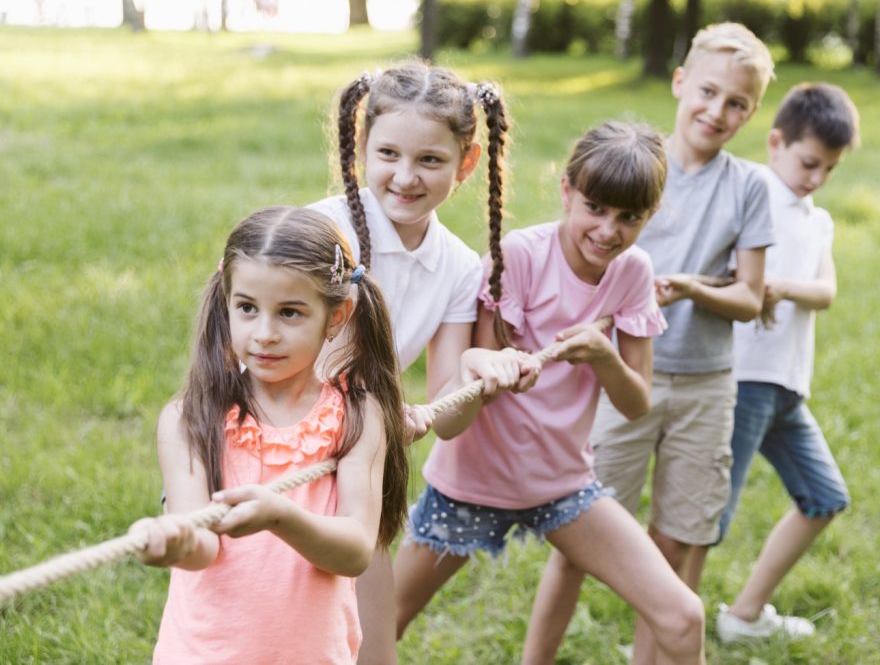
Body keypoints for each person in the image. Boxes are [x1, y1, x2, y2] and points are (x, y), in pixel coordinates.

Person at [394, 121, 707, 665]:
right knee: (376, 622)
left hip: (562, 486)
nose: (608, 230)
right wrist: (492, 368)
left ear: (649, 216)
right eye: (596, 208)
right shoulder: (519, 255)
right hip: (471, 483)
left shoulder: (632, 272)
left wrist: (603, 354)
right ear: (567, 191)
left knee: (684, 616)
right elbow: (467, 401)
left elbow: (637, 405)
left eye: (628, 217)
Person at [527, 23, 777, 663]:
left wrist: (692, 288)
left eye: (737, 104)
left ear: (751, 113)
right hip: (621, 381)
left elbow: (751, 298)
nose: (716, 111)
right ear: (680, 83)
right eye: (708, 92)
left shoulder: (747, 187)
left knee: (675, 545)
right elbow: (581, 262)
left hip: (704, 384)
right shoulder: (630, 168)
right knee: (579, 542)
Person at [307, 61, 533, 664]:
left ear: (467, 162)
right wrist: (382, 410)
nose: (405, 177)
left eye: (430, 160)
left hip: (362, 470)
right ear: (362, 148)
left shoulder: (459, 267)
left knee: (371, 648)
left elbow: (448, 417)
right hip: (280, 456)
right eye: (388, 154)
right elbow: (284, 364)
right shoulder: (321, 232)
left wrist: (481, 373)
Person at [130, 206, 410, 664]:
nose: (264, 334)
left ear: (337, 315)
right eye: (247, 308)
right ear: (226, 301)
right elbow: (201, 545)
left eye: (290, 313)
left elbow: (357, 549)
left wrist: (280, 517)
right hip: (203, 653)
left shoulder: (358, 415)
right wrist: (176, 541)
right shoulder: (191, 418)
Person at [714, 82, 859, 643]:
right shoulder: (752, 197)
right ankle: (659, 636)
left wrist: (777, 286)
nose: (816, 178)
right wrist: (755, 285)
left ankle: (743, 616)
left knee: (825, 498)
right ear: (776, 142)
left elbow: (825, 292)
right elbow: (728, 275)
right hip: (746, 380)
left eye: (829, 169)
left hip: (788, 388)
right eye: (809, 163)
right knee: (708, 522)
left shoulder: (817, 219)